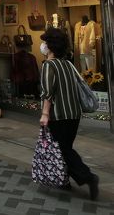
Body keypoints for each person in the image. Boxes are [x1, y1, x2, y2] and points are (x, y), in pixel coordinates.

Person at [39, 28, 99, 200]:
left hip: (59, 115)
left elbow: (47, 93)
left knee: (63, 149)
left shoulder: (49, 66)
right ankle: (63, 180)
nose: (43, 45)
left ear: (50, 46)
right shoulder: (68, 64)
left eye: (45, 42)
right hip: (74, 114)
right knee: (64, 147)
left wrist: (44, 114)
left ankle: (88, 177)